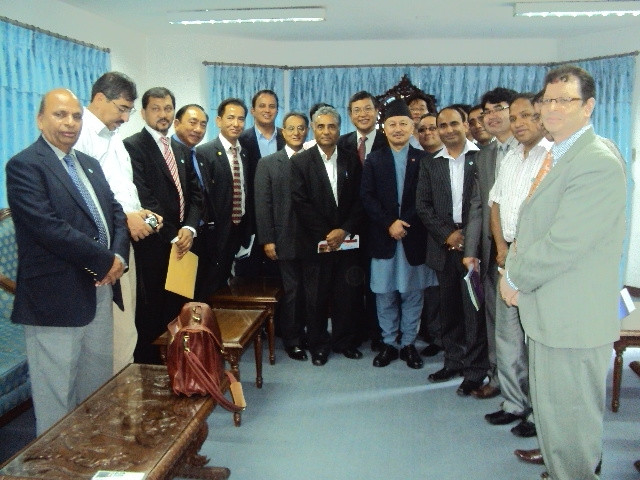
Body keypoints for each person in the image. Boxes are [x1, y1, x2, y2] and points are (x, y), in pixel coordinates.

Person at [499, 65, 626, 480]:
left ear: (588, 106)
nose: (552, 108)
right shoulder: (560, 153)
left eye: (565, 100)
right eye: (547, 99)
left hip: (572, 317)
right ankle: (562, 468)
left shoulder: (595, 161)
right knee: (554, 411)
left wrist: (513, 277)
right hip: (550, 311)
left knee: (572, 416)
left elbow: (564, 243)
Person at [6, 88, 129, 434]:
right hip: (55, 300)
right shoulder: (25, 166)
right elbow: (48, 228)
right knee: (56, 401)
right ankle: (57, 462)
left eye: (76, 116)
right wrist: (106, 261)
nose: (70, 123)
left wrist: (119, 257)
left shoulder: (88, 163)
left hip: (100, 291)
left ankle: (92, 456)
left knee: (97, 391)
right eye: (60, 114)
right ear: (40, 119)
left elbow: (116, 213)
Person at [74, 71, 163, 373]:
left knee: (126, 328)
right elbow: (82, 198)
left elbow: (120, 189)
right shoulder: (81, 136)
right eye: (122, 108)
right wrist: (127, 217)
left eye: (129, 111)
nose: (125, 118)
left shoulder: (113, 138)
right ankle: (117, 394)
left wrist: (142, 213)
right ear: (100, 99)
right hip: (103, 246)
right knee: (116, 332)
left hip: (124, 240)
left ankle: (123, 390)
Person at [483, 93, 551, 438]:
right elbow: (494, 204)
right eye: (515, 117)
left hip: (537, 261)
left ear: (543, 118)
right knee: (507, 336)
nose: (519, 123)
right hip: (508, 257)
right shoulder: (510, 157)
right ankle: (513, 403)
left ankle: (540, 414)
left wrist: (517, 252)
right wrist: (501, 248)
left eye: (528, 116)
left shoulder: (553, 157)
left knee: (537, 341)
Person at [124, 87, 202, 364]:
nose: (163, 114)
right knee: (151, 313)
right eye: (156, 108)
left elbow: (195, 194)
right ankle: (151, 368)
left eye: (168, 108)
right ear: (143, 112)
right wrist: (172, 236)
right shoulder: (132, 146)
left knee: (177, 309)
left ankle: (177, 365)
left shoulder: (180, 149)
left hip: (184, 243)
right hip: (154, 245)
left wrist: (189, 229)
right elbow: (143, 197)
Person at [416, 106, 488, 396]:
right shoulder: (430, 163)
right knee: (449, 310)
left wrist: (468, 237)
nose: (448, 130)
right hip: (444, 246)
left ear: (466, 125)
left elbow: (487, 203)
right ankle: (453, 361)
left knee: (474, 311)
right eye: (442, 125)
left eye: (453, 124)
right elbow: (423, 206)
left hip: (475, 246)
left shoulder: (482, 157)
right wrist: (448, 235)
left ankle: (475, 370)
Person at [360, 99, 436, 369]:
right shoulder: (374, 159)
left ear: (412, 126)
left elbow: (426, 198)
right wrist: (389, 223)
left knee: (413, 294)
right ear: (384, 128)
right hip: (384, 238)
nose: (398, 129)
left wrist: (404, 222)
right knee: (385, 294)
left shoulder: (424, 160)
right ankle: (390, 343)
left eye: (403, 123)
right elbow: (366, 197)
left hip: (413, 237)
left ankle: (409, 344)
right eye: (392, 124)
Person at [291, 105, 365, 366]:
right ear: (313, 128)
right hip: (316, 243)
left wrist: (343, 230)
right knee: (316, 298)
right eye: (320, 126)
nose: (326, 131)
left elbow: (359, 199)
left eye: (331, 126)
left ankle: (344, 342)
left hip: (347, 241)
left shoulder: (351, 159)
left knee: (346, 295)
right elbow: (300, 203)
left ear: (339, 129)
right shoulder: (300, 161)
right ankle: (319, 346)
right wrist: (327, 233)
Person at [463, 87, 518, 400]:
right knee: (495, 322)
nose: (492, 116)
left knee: (520, 329)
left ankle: (522, 391)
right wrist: (471, 251)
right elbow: (477, 206)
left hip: (521, 253)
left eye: (500, 108)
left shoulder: (533, 151)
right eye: (487, 111)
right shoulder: (485, 155)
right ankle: (498, 379)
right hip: (489, 252)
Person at [254, 112, 309, 361]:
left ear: (306, 131)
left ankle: (310, 334)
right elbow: (262, 204)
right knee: (292, 292)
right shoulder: (268, 163)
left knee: (311, 292)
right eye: (291, 128)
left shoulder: (314, 159)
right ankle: (292, 340)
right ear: (283, 132)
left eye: (301, 128)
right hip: (284, 239)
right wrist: (267, 239)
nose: (296, 133)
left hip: (313, 240)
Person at [337, 91, 387, 351]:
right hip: (349, 226)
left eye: (367, 109)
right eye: (357, 110)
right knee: (352, 282)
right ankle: (354, 334)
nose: (363, 114)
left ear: (377, 112)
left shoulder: (388, 140)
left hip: (380, 225)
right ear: (350, 115)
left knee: (377, 283)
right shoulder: (342, 143)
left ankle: (379, 333)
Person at [197, 98, 253, 294]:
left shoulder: (244, 153)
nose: (236, 123)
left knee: (230, 286)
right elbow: (202, 196)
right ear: (219, 120)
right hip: (215, 232)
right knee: (211, 285)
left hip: (238, 228)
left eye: (241, 119)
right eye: (230, 118)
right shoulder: (204, 152)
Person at [236, 89, 285, 278]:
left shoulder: (287, 138)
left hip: (282, 223)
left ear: (277, 110)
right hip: (250, 222)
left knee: (280, 281)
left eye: (272, 106)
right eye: (262, 106)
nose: (267, 110)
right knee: (249, 282)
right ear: (253, 110)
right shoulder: (241, 140)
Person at [171, 103, 212, 301]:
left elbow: (202, 196)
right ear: (176, 123)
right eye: (193, 122)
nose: (198, 129)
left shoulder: (200, 155)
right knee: (179, 299)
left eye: (203, 125)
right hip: (178, 238)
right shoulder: (168, 153)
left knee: (198, 299)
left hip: (200, 236)